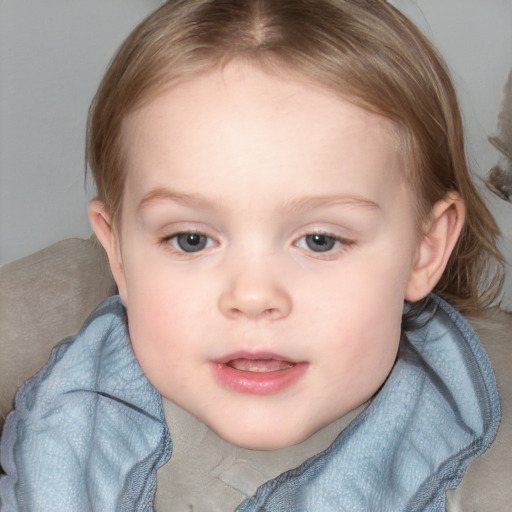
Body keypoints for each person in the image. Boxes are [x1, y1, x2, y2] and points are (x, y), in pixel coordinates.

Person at [0, 0, 509, 510]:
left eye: (320, 240)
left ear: (425, 249)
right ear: (117, 252)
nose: (252, 295)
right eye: (191, 239)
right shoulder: (54, 318)